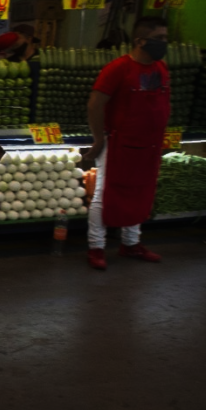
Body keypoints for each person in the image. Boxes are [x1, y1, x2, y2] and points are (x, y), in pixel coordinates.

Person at [82, 16, 171, 271]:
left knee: (140, 192)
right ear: (141, 40)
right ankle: (96, 247)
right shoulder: (117, 68)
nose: (164, 43)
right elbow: (95, 104)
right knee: (104, 194)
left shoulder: (160, 69)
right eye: (160, 38)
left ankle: (131, 244)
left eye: (166, 38)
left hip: (149, 146)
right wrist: (99, 139)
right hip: (118, 143)